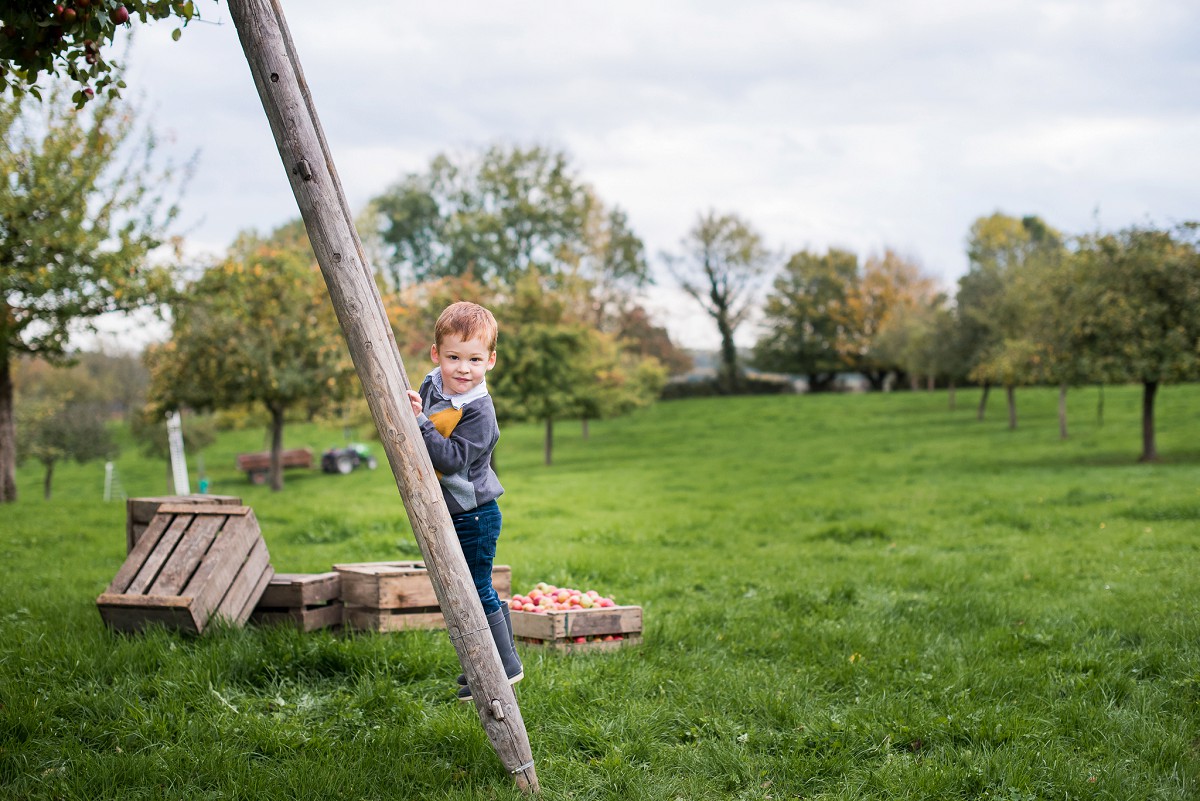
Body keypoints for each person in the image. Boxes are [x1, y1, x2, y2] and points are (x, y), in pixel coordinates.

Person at [405, 301, 523, 701]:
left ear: (490, 361)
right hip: (454, 512)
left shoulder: (479, 411)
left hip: (475, 515)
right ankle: (493, 662)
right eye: (453, 356)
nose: (462, 369)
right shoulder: (432, 384)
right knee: (475, 585)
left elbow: (451, 457)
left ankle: (503, 666)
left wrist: (419, 423)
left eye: (474, 359)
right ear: (437, 354)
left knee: (477, 587)